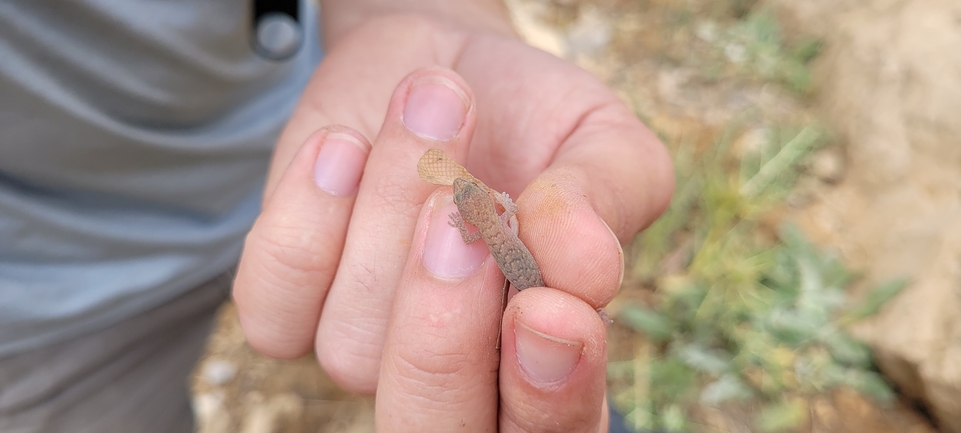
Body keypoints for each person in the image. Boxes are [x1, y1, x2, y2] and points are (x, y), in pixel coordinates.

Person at [0, 0, 673, 431]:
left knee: (534, 351)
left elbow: (486, 224)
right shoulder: (487, 214)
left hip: (320, 108)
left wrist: (433, 20)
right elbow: (488, 219)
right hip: (44, 304)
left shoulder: (483, 216)